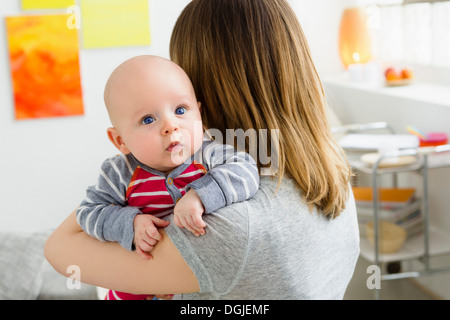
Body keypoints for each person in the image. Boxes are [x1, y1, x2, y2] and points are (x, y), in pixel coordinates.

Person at [45, 0, 360, 300]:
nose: (169, 126)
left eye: (180, 104)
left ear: (203, 94)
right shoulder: (335, 173)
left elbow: (58, 248)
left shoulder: (226, 226)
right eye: (149, 118)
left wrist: (130, 163)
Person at [76, 55, 259, 300]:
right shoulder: (119, 172)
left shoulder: (208, 154)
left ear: (199, 115)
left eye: (181, 110)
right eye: (148, 119)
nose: (171, 125)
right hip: (135, 284)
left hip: (195, 285)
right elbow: (87, 213)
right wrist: (129, 223)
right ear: (120, 140)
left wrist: (200, 195)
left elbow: (246, 170)